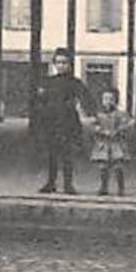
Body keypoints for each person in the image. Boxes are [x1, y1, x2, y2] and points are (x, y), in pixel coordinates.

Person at [31, 47, 92, 194]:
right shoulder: (47, 82)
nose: (61, 65)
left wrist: (89, 114)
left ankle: (68, 185)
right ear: (54, 64)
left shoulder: (75, 83)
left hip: (68, 122)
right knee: (52, 154)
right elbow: (39, 101)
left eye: (64, 62)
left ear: (70, 64)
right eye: (58, 62)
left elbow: (87, 99)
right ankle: (51, 183)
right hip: (51, 122)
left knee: (67, 155)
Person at [90, 88, 132, 196]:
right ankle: (103, 187)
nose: (108, 101)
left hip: (116, 143)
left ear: (116, 101)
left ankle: (121, 188)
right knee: (103, 167)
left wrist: (118, 131)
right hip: (103, 143)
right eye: (105, 99)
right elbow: (94, 126)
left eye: (111, 99)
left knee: (118, 166)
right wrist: (100, 130)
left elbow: (125, 126)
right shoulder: (99, 115)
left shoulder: (120, 114)